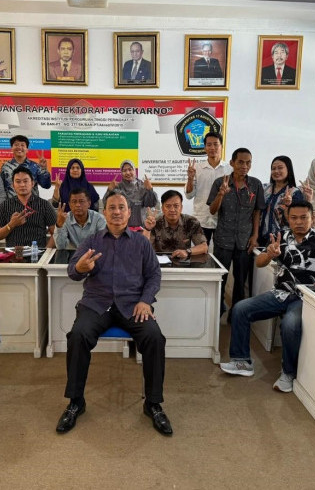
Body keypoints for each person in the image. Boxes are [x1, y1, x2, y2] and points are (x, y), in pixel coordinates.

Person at [56, 190, 172, 436]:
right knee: (77, 336)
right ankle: (76, 401)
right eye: (112, 208)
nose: (117, 212)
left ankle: (153, 404)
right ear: (104, 212)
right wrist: (80, 267)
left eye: (121, 207)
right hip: (96, 304)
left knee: (154, 337)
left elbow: (154, 275)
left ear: (129, 213)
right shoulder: (92, 241)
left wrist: (146, 301)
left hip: (132, 305)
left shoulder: (141, 242)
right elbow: (72, 271)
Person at [220, 200, 315, 393]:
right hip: (280, 293)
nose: (298, 222)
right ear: (288, 219)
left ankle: (288, 373)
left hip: (306, 297)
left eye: (304, 217)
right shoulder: (280, 237)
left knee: (290, 324)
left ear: (313, 218)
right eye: (294, 218)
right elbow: (259, 262)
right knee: (240, 309)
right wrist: (269, 254)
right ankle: (242, 362)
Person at [207, 148, 265, 313]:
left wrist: (255, 236)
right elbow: (212, 210)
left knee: (240, 282)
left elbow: (257, 212)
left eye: (248, 163)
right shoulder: (220, 182)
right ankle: (217, 314)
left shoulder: (255, 184)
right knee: (220, 280)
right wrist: (221, 195)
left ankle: (236, 315)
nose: (244, 166)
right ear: (232, 163)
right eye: (240, 162)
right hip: (223, 240)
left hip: (244, 242)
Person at [0, 166, 57, 248]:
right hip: (13, 254)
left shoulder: (44, 205)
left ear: (32, 183)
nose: (22, 185)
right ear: (13, 185)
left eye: (25, 181)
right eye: (18, 182)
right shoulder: (4, 206)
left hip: (37, 254)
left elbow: (55, 233)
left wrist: (45, 252)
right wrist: (11, 225)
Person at [185, 132, 228, 244]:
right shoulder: (197, 168)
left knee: (221, 252)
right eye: (209, 145)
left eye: (216, 144)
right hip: (201, 219)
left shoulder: (229, 169)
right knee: (200, 251)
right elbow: (189, 195)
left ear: (221, 146)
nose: (212, 148)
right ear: (205, 147)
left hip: (222, 220)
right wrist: (190, 179)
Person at [144, 190, 208, 259]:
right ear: (162, 208)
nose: (172, 210)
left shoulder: (191, 222)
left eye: (176, 206)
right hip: (159, 262)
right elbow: (143, 248)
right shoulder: (154, 222)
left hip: (183, 261)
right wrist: (148, 229)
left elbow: (204, 247)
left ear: (181, 208)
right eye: (168, 206)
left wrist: (187, 252)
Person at [258, 155, 304, 246]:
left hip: (283, 241)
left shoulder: (294, 192)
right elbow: (256, 212)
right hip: (261, 239)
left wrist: (288, 205)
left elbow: (297, 220)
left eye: (280, 168)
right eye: (273, 168)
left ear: (288, 170)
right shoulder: (264, 188)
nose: (276, 171)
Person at [103, 160, 159, 229]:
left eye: (130, 169)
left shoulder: (142, 186)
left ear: (134, 170)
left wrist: (150, 190)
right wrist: (109, 190)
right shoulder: (117, 187)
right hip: (121, 228)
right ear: (121, 173)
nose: (127, 173)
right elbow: (106, 205)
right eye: (124, 170)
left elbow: (151, 204)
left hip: (141, 227)